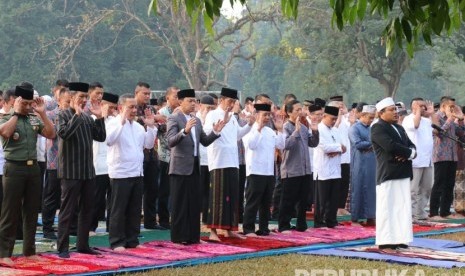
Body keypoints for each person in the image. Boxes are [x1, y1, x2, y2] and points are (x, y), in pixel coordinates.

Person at [0, 85, 55, 265]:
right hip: (14, 168)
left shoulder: (34, 118)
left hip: (33, 169)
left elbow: (51, 133)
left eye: (30, 103)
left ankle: (29, 251)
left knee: (31, 211)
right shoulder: (6, 117)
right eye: (25, 103)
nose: (28, 106)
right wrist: (16, 113)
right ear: (16, 101)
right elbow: (6, 133)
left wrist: (43, 113)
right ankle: (4, 253)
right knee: (10, 211)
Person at [167, 89, 224, 244]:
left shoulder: (197, 120)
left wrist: (215, 132)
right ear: (180, 101)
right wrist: (184, 131)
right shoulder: (174, 118)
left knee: (194, 203)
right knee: (180, 204)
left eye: (195, 101)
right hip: (179, 168)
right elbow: (170, 141)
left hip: (194, 167)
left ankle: (193, 236)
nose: (193, 104)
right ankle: (179, 237)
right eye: (190, 100)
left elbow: (204, 141)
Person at [56, 82, 106, 258]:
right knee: (67, 210)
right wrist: (76, 115)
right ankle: (62, 247)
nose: (84, 100)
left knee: (87, 210)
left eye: (85, 97)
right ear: (71, 97)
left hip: (87, 171)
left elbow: (100, 137)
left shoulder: (87, 117)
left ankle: (82, 245)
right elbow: (65, 134)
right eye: (81, 97)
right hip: (70, 171)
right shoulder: (62, 115)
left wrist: (100, 118)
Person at [106, 94, 158, 250]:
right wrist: (121, 123)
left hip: (137, 172)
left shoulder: (137, 127)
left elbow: (148, 145)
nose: (134, 110)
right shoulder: (112, 123)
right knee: (118, 210)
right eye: (131, 107)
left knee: (134, 210)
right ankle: (117, 241)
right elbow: (109, 140)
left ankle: (132, 240)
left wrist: (151, 127)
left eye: (135, 107)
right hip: (120, 173)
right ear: (121, 108)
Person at [203, 87, 254, 242]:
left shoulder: (232, 117)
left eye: (233, 102)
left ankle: (229, 230)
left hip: (233, 161)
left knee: (232, 197)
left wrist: (250, 125)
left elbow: (237, 135)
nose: (231, 105)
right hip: (219, 161)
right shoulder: (212, 114)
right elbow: (206, 134)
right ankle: (213, 231)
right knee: (217, 198)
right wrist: (218, 127)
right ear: (221, 100)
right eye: (229, 101)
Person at [371, 97, 416, 250]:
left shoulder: (400, 128)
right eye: (392, 110)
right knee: (387, 209)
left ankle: (400, 239)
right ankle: (385, 242)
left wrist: (409, 153)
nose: (396, 112)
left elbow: (411, 146)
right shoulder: (378, 128)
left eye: (396, 109)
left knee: (402, 208)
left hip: (403, 172)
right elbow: (390, 146)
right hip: (389, 173)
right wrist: (408, 152)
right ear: (381, 113)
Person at [242, 103, 285, 236]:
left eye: (268, 115)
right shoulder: (249, 129)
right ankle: (248, 228)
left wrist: (281, 130)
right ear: (256, 115)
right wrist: (258, 129)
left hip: (268, 171)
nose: (266, 118)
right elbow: (252, 145)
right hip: (255, 171)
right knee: (253, 201)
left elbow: (281, 144)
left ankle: (264, 228)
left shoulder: (270, 131)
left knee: (266, 202)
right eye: (264, 115)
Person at [279, 100, 319, 232]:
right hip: (291, 169)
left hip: (305, 169)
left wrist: (315, 130)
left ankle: (301, 225)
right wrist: (295, 132)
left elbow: (313, 143)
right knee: (288, 200)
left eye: (300, 109)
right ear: (289, 112)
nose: (300, 112)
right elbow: (286, 145)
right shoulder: (285, 127)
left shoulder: (303, 127)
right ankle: (284, 225)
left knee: (303, 200)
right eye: (296, 110)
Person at [134, 82, 165, 229]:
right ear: (136, 93)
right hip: (137, 155)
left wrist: (157, 122)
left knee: (152, 190)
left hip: (152, 155)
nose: (147, 96)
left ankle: (150, 221)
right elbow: (132, 122)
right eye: (144, 93)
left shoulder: (151, 109)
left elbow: (162, 127)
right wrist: (145, 120)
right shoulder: (131, 108)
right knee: (136, 191)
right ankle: (132, 223)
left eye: (148, 94)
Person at [42, 87, 71, 240]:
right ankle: (47, 228)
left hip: (72, 163)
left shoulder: (76, 115)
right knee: (52, 196)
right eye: (67, 101)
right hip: (55, 161)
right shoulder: (51, 115)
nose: (69, 104)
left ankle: (68, 227)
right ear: (59, 100)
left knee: (68, 197)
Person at [430, 96, 465, 219]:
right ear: (443, 106)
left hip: (452, 155)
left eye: (454, 107)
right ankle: (433, 213)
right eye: (451, 107)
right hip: (441, 155)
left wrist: (460, 119)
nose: (453, 109)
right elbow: (440, 133)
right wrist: (450, 119)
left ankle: (445, 212)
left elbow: (461, 134)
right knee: (439, 184)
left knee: (449, 184)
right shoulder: (436, 117)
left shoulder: (452, 118)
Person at [402, 98, 436, 221]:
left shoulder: (427, 121)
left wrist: (432, 114)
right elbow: (415, 126)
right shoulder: (408, 119)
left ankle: (420, 213)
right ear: (413, 107)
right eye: (420, 106)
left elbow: (437, 130)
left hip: (427, 160)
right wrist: (417, 112)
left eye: (424, 106)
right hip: (415, 160)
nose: (423, 108)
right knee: (413, 189)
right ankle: (410, 215)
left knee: (427, 188)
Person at [91, 92, 119, 234]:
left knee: (113, 201)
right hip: (98, 165)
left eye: (115, 108)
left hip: (113, 166)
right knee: (96, 199)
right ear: (102, 105)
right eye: (110, 107)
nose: (112, 111)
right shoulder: (92, 119)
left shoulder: (116, 121)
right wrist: (99, 118)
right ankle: (91, 227)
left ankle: (112, 227)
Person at [313, 105, 346, 228]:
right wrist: (337, 148)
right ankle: (319, 222)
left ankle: (331, 221)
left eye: (335, 119)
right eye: (331, 118)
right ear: (324, 116)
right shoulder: (319, 129)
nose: (333, 121)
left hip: (335, 168)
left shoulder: (335, 130)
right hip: (323, 169)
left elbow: (344, 147)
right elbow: (324, 147)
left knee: (333, 198)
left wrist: (337, 148)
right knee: (322, 199)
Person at [348, 105, 376, 226]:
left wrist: (370, 145)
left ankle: (370, 216)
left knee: (371, 189)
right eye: (370, 118)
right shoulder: (354, 128)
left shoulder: (372, 128)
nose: (371, 120)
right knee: (358, 188)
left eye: (373, 118)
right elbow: (358, 144)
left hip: (371, 163)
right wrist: (372, 144)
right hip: (359, 163)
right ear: (363, 115)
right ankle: (355, 218)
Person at [157, 86, 180, 230]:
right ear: (167, 98)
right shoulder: (161, 113)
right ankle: (164, 220)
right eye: (175, 97)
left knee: (175, 190)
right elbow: (164, 138)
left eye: (179, 97)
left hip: (177, 158)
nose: (178, 100)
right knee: (164, 191)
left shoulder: (180, 113)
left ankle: (174, 218)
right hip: (165, 157)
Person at [196, 95, 217, 223]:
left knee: (208, 191)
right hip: (199, 159)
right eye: (207, 108)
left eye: (211, 108)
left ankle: (206, 219)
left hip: (210, 159)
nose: (209, 110)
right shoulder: (196, 118)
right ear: (200, 106)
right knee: (199, 190)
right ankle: (196, 218)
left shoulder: (213, 118)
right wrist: (203, 121)